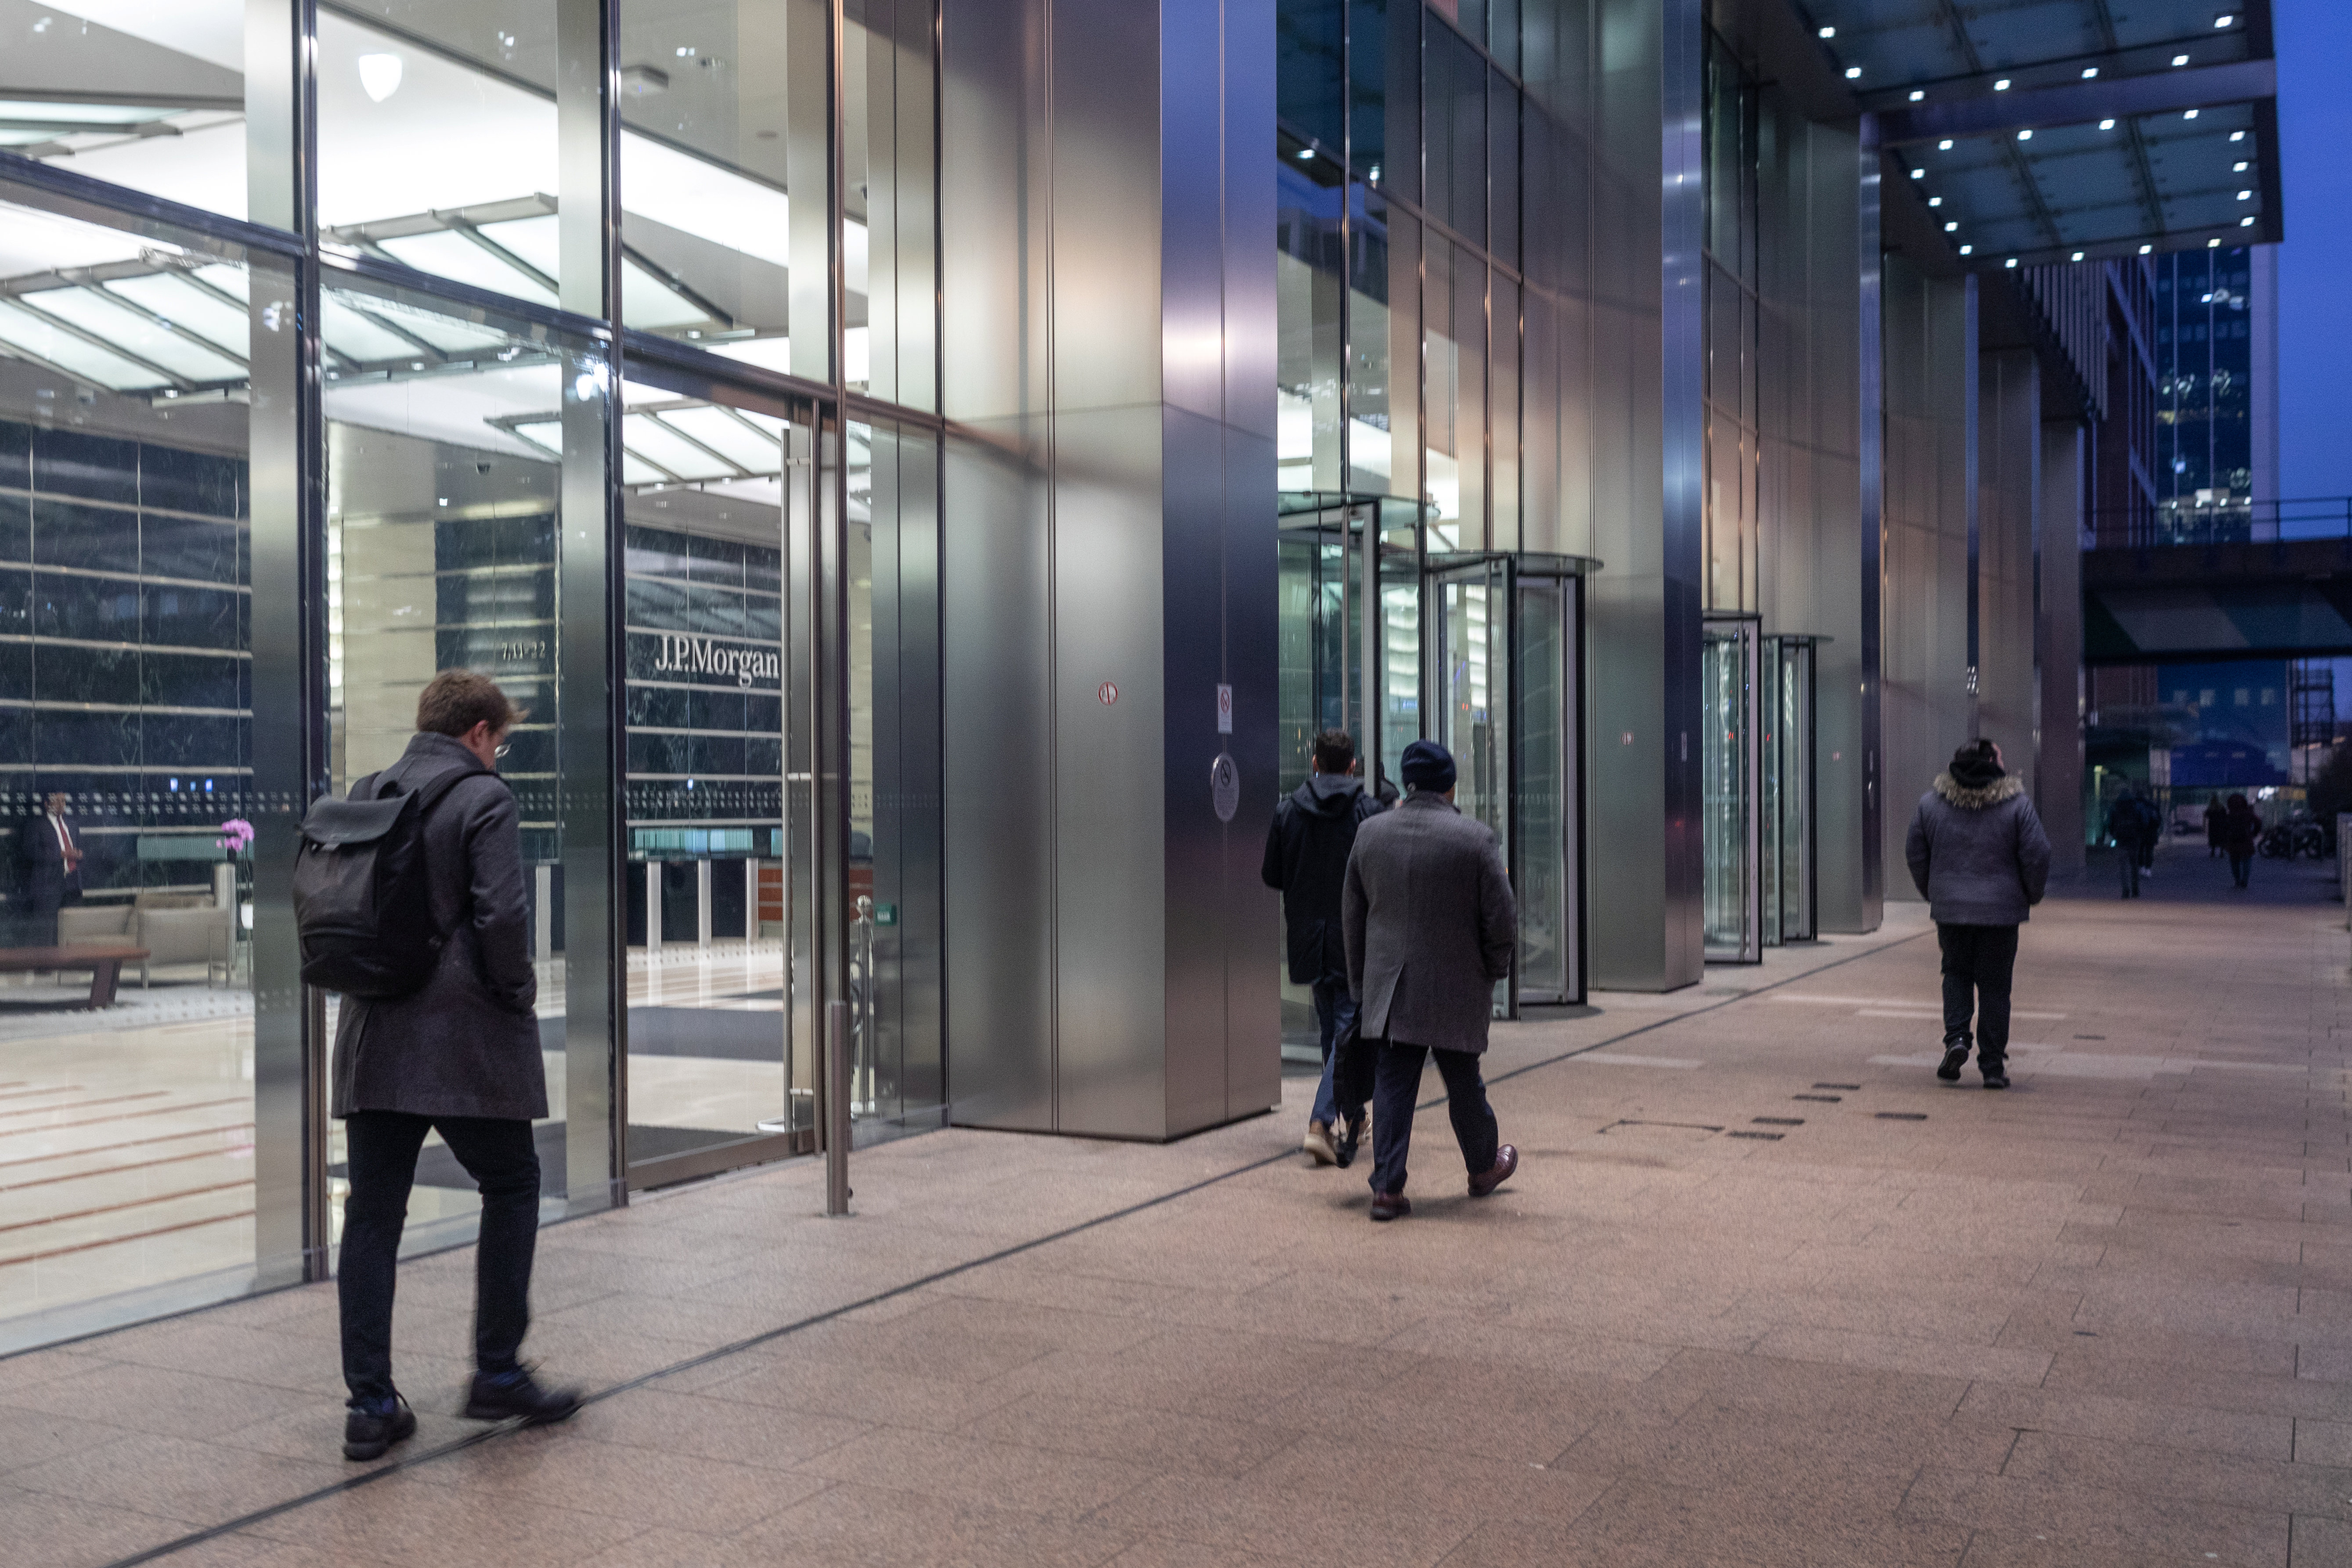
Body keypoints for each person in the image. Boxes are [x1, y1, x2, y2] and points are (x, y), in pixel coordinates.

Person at [332, 670, 578, 1462]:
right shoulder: (484, 798)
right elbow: (502, 914)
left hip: (373, 1029)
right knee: (512, 1183)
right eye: (499, 741)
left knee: (372, 1214)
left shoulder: (371, 789)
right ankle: (497, 1371)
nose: (498, 754)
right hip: (462, 1036)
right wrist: (518, 991)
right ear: (477, 732)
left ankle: (371, 1404)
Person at [1342, 738, 1519, 1220]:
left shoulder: (1370, 835)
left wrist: (1362, 987)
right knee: (1464, 1082)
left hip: (1393, 989)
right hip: (1457, 985)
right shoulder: (1475, 838)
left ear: (1406, 782)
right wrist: (1494, 969)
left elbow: (1352, 918)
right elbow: (1502, 919)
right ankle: (1483, 1168)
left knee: (1394, 1084)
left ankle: (1387, 1189)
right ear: (1451, 785)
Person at [1262, 728, 1386, 1166]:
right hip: (1353, 939)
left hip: (1308, 939)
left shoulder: (1286, 812)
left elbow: (1271, 875)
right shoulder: (1369, 813)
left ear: (1314, 763)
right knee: (1346, 1032)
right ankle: (1320, 1121)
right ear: (1352, 766)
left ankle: (1351, 1119)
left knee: (1334, 1033)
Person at [1904, 738, 2053, 1091]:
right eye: (2000, 755)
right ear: (1990, 760)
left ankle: (1957, 1039)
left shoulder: (1931, 804)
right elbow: (2038, 853)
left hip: (1952, 911)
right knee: (1996, 986)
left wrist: (1935, 891)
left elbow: (1915, 852)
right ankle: (1992, 1066)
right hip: (2001, 913)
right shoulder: (2017, 805)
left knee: (1955, 973)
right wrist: (2031, 894)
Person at [14, 792, 85, 944]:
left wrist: (78, 854)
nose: (61, 804)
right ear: (46, 804)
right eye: (57, 801)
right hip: (47, 884)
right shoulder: (35, 825)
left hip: (71, 882)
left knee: (71, 927)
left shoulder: (72, 824)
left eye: (64, 801)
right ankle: (45, 966)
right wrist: (60, 854)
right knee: (46, 930)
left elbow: (78, 847)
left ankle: (70, 964)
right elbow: (30, 852)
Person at [2104, 789, 2156, 899]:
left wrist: (2114, 833)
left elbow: (2108, 822)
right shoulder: (2136, 806)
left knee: (2123, 866)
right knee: (2134, 865)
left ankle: (2125, 890)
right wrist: (2140, 832)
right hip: (2134, 839)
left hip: (2121, 839)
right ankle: (2135, 890)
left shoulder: (2114, 807)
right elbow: (2145, 821)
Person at [2222, 792, 2262, 889]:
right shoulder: (2248, 813)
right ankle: (2245, 881)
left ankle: (2237, 880)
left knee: (2234, 861)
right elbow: (2259, 822)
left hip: (2233, 841)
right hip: (2246, 840)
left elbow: (2223, 828)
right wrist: (2254, 833)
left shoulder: (2229, 815)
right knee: (2247, 861)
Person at [2204, 794, 2227, 859]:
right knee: (2221, 839)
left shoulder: (2211, 808)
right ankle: (2221, 852)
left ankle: (2213, 852)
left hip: (2213, 826)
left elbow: (2206, 815)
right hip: (2221, 825)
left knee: (2213, 839)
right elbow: (2225, 815)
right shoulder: (2221, 807)